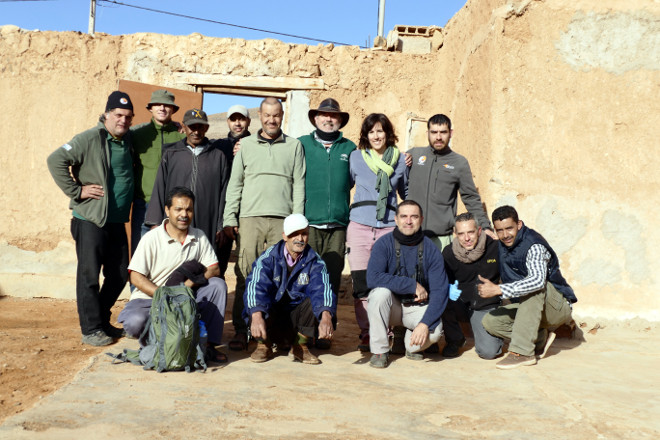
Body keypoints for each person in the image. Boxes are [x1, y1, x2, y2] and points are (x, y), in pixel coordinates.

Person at [47, 91, 135, 346]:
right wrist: (77, 190)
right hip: (90, 219)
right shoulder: (89, 138)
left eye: (128, 117)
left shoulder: (127, 139)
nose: (123, 120)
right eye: (118, 115)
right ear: (107, 114)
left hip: (116, 220)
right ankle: (90, 329)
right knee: (89, 276)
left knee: (119, 274)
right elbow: (55, 160)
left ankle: (101, 320)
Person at [223, 97, 306, 351]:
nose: (272, 120)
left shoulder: (294, 146)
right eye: (267, 115)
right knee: (246, 274)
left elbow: (299, 186)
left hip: (282, 221)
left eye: (277, 115)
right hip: (250, 219)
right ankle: (241, 328)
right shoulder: (245, 145)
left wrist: (297, 224)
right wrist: (230, 217)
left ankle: (272, 332)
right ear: (259, 115)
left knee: (279, 277)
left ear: (283, 116)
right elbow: (235, 183)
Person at [118, 187, 228, 363]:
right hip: (151, 299)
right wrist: (162, 295)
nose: (184, 214)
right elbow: (135, 277)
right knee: (134, 323)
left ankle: (208, 347)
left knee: (217, 285)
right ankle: (158, 343)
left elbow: (214, 268)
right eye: (178, 209)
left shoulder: (198, 236)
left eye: (188, 209)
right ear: (167, 210)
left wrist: (188, 286)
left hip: (186, 298)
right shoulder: (151, 238)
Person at [478, 205, 578, 369]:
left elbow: (537, 281)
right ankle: (538, 338)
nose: (505, 235)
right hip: (530, 308)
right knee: (491, 322)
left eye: (509, 228)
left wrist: (498, 289)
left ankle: (522, 352)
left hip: (556, 307)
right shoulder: (503, 244)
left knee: (533, 287)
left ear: (519, 224)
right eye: (500, 230)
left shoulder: (534, 245)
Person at [299, 98, 356, 348]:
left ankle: (326, 331)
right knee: (305, 278)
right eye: (323, 115)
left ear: (340, 120)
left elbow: (355, 179)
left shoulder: (349, 148)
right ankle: (304, 330)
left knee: (331, 279)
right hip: (309, 225)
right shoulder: (301, 144)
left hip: (338, 227)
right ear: (315, 118)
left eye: (333, 116)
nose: (328, 119)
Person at [145, 108, 231, 276]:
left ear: (206, 128)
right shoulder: (171, 154)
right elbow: (159, 187)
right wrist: (155, 222)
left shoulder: (218, 157)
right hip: (175, 223)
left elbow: (224, 193)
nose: (196, 131)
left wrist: (221, 224)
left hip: (207, 222)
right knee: (172, 267)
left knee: (202, 268)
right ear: (183, 127)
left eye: (200, 127)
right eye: (192, 127)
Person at [347, 113, 408, 351]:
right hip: (359, 225)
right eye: (371, 131)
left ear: (388, 133)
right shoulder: (355, 158)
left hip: (389, 228)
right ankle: (366, 333)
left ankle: (386, 332)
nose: (376, 135)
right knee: (362, 283)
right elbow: (345, 186)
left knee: (385, 282)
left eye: (380, 131)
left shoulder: (401, 160)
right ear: (365, 135)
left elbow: (407, 193)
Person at [244, 214, 336, 365]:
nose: (300, 238)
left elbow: (322, 288)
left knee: (315, 302)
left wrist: (326, 316)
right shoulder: (268, 258)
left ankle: (300, 346)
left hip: (297, 325)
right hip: (269, 322)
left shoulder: (315, 261)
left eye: (304, 233)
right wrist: (256, 316)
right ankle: (263, 344)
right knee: (256, 301)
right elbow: (256, 286)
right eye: (294, 234)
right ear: (284, 236)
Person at [366, 200, 448, 368]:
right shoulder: (384, 244)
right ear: (396, 219)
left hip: (417, 308)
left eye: (414, 216)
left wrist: (424, 324)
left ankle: (409, 344)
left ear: (421, 219)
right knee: (379, 294)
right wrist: (411, 285)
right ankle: (380, 350)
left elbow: (440, 291)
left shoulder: (431, 249)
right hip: (392, 307)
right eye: (404, 216)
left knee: (434, 333)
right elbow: (373, 278)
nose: (408, 221)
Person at [407, 114, 495, 251]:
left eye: (443, 132)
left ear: (451, 133)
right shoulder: (414, 154)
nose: (438, 137)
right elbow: (396, 181)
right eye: (434, 132)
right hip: (410, 235)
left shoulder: (459, 163)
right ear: (427, 133)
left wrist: (485, 226)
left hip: (441, 239)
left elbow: (470, 198)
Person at [130, 90, 185, 255]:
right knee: (141, 255)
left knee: (170, 255)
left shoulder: (181, 137)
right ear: (151, 108)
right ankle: (136, 283)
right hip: (144, 204)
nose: (162, 108)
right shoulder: (137, 134)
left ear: (173, 110)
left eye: (167, 105)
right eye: (158, 104)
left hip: (173, 207)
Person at [441, 212, 503, 359]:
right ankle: (455, 340)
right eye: (461, 234)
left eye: (471, 232)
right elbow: (442, 282)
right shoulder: (449, 253)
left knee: (488, 352)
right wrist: (448, 289)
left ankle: (492, 335)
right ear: (455, 234)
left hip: (485, 304)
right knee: (440, 296)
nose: (467, 238)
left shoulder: (495, 248)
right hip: (460, 303)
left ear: (479, 231)